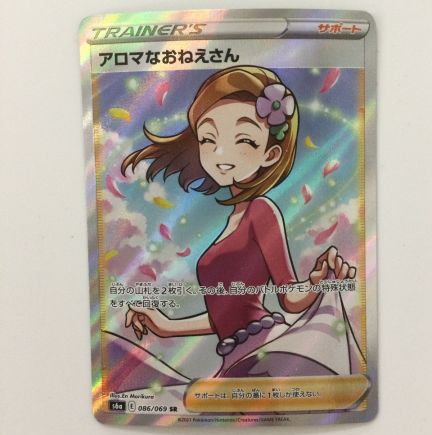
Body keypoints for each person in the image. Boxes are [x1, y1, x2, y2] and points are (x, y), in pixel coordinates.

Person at [119, 66, 363, 381]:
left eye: (244, 140)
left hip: (262, 350)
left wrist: (317, 283)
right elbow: (230, 311)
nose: (221, 153)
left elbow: (289, 298)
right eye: (208, 139)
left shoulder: (261, 211)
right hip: (238, 353)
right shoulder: (234, 219)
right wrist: (166, 326)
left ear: (270, 154)